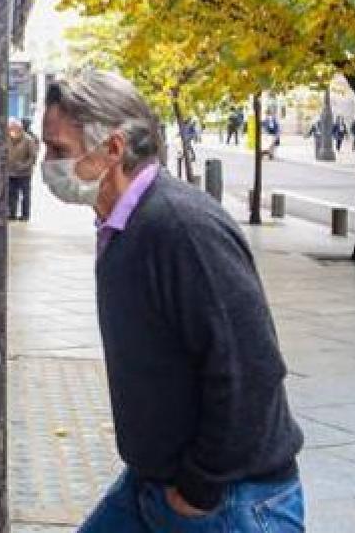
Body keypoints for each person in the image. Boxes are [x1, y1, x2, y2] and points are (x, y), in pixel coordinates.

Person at [40, 71, 304, 533]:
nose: (48, 164)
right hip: (156, 483)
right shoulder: (125, 225)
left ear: (114, 149)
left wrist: (198, 489)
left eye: (59, 150)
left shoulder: (181, 228)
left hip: (229, 501)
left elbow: (251, 369)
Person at [7, 118, 39, 221]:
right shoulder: (7, 139)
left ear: (20, 128)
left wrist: (23, 166)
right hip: (11, 172)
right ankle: (12, 213)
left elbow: (33, 157)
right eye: (10, 128)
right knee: (12, 194)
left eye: (14, 128)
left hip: (24, 173)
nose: (12, 130)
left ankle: (25, 215)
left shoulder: (28, 140)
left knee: (25, 195)